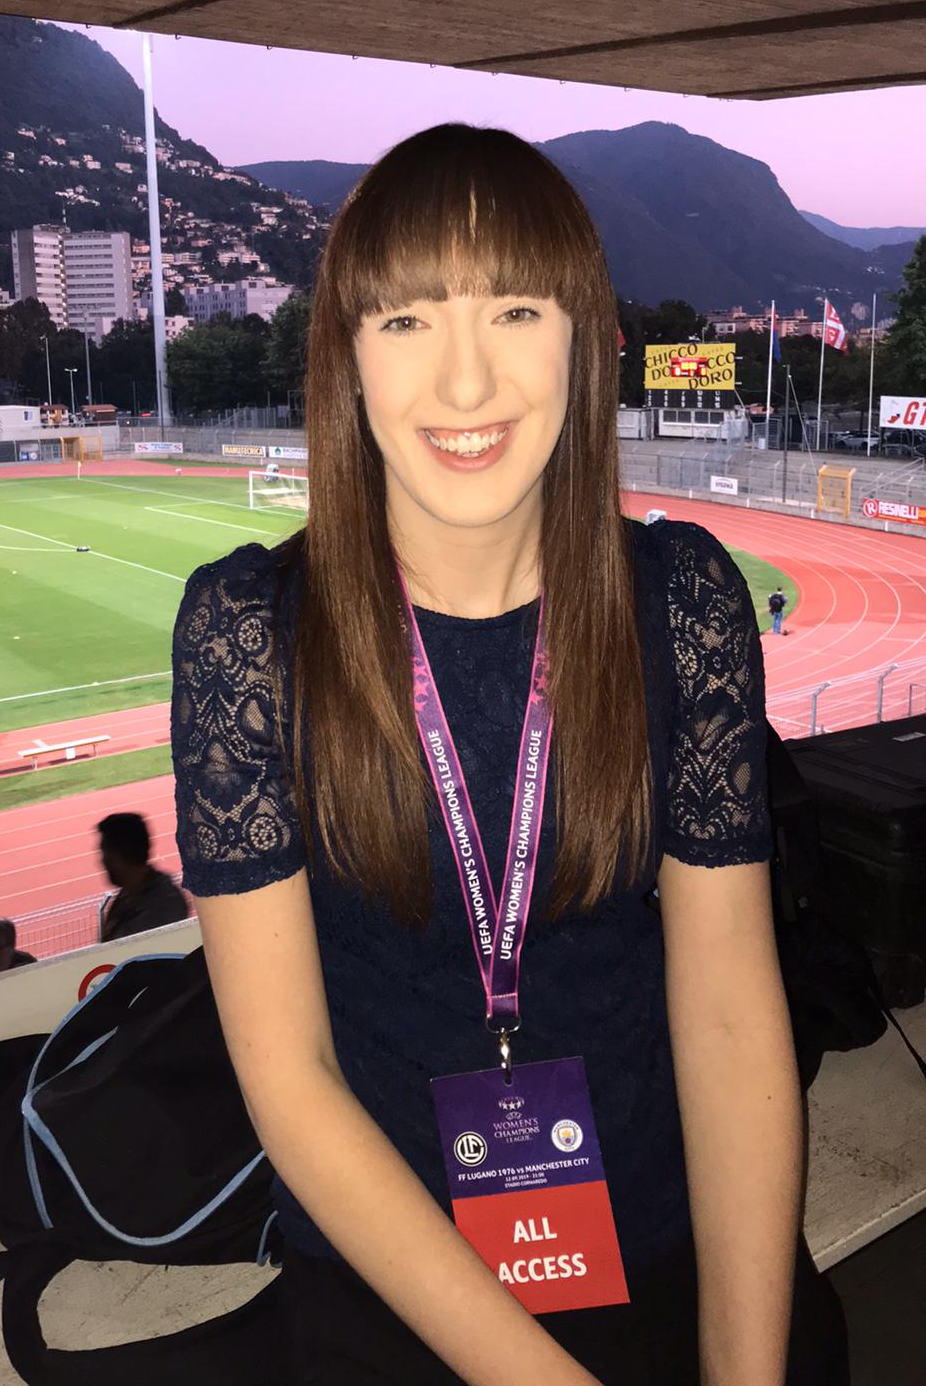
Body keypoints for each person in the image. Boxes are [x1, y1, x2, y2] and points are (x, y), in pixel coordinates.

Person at [171, 125, 847, 1386]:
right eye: (409, 321)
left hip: (663, 1243)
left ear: (583, 339)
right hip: (397, 1286)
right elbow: (293, 1079)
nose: (467, 385)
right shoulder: (246, 637)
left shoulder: (685, 603)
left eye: (517, 310)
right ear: (348, 359)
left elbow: (728, 1008)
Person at [97, 811, 188, 941]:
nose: (102, 861)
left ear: (121, 856)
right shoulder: (129, 894)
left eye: (106, 855)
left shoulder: (161, 906)